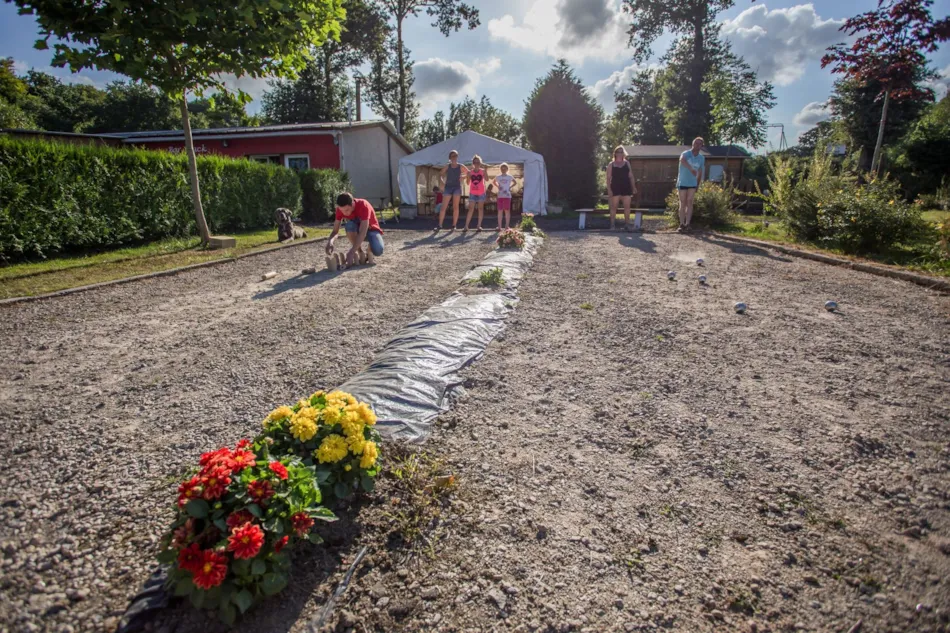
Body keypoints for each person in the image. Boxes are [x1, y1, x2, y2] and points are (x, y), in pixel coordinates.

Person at [326, 192, 384, 266]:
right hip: (357, 230)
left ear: (353, 203)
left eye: (346, 210)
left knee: (378, 250)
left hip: (371, 230)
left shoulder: (363, 205)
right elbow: (335, 231)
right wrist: (330, 242)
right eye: (342, 210)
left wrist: (352, 251)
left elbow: (363, 232)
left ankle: (369, 251)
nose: (344, 213)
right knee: (349, 225)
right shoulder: (340, 210)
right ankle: (360, 251)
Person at [677, 137, 705, 233]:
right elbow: (682, 160)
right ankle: (681, 224)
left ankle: (688, 223)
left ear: (701, 146)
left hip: (692, 183)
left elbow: (700, 171)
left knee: (690, 201)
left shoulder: (701, 158)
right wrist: (691, 169)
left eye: (699, 144)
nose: (697, 145)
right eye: (696, 143)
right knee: (682, 202)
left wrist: (698, 184)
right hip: (683, 181)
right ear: (693, 144)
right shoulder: (686, 154)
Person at [606, 146, 637, 231]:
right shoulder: (611, 164)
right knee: (614, 207)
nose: (619, 154)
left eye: (621, 152)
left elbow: (631, 176)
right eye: (618, 152)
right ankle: (612, 225)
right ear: (615, 153)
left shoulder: (627, 163)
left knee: (627, 207)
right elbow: (608, 178)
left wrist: (633, 187)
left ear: (623, 154)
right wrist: (609, 189)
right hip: (615, 187)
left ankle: (627, 224)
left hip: (626, 187)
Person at [436, 150, 468, 232]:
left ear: (457, 157)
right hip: (448, 187)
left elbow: (469, 173)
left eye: (455, 156)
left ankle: (454, 225)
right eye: (452, 156)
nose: (454, 157)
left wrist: (463, 177)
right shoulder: (448, 166)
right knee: (444, 206)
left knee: (455, 207)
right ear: (450, 158)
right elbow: (440, 174)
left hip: (457, 187)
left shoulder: (460, 166)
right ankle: (440, 225)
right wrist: (442, 182)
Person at [463, 154, 488, 232]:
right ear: (473, 163)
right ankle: (466, 226)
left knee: (480, 209)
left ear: (480, 163)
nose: (476, 164)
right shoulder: (470, 172)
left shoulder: (482, 171)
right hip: (473, 192)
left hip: (481, 192)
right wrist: (468, 176)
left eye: (478, 162)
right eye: (475, 162)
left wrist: (486, 172)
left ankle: (479, 226)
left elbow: (487, 179)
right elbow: (467, 183)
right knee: (471, 209)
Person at [492, 163, 517, 231]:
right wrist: (497, 186)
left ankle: (506, 226)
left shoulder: (509, 176)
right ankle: (499, 226)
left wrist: (510, 187)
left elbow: (515, 182)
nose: (503, 169)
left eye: (505, 168)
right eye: (502, 168)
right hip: (500, 195)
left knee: (507, 211)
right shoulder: (498, 177)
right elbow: (493, 182)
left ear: (507, 169)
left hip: (507, 196)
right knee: (500, 211)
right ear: (500, 169)